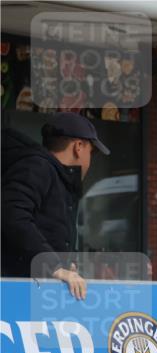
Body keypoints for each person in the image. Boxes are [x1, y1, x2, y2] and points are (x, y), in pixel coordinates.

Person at [1, 112, 109, 299]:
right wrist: (55, 266)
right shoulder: (38, 167)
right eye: (91, 152)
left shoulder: (57, 176)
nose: (89, 160)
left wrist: (65, 264)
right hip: (17, 293)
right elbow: (13, 216)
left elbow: (48, 228)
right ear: (78, 147)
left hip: (36, 292)